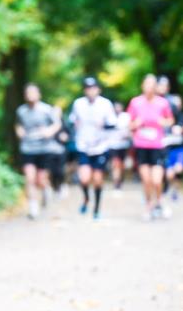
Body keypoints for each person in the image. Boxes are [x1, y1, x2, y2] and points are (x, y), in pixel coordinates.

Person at [127, 74, 175, 221]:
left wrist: (162, 122)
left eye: (152, 84)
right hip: (141, 146)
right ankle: (148, 206)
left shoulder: (163, 103)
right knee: (147, 180)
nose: (150, 87)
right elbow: (128, 124)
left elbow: (170, 120)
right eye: (147, 84)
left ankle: (159, 202)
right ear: (142, 85)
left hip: (157, 146)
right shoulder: (135, 102)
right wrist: (136, 124)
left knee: (157, 180)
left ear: (156, 87)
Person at [69, 77, 116, 220]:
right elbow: (71, 120)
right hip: (83, 145)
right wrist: (74, 126)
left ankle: (96, 209)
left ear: (98, 89)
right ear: (84, 90)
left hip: (100, 146)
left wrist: (104, 125)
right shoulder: (78, 104)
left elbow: (113, 123)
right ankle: (86, 198)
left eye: (93, 88)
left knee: (97, 179)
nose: (90, 91)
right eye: (88, 88)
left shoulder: (105, 104)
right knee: (84, 178)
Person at [15, 84, 62, 220]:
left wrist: (49, 131)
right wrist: (19, 132)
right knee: (30, 178)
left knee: (41, 180)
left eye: (33, 92)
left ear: (39, 94)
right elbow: (18, 124)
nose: (30, 95)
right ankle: (33, 207)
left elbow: (57, 123)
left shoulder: (46, 109)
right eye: (28, 93)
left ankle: (46, 190)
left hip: (44, 148)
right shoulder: (21, 111)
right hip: (27, 148)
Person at [163, 94, 183, 201]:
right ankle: (168, 187)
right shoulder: (164, 117)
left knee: (179, 169)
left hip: (180, 149)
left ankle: (175, 191)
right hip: (167, 150)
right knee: (169, 174)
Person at [108, 100, 133, 190]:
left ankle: (120, 179)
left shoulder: (126, 116)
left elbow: (130, 128)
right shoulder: (109, 117)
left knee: (121, 164)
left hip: (124, 145)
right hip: (113, 145)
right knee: (115, 163)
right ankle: (116, 182)